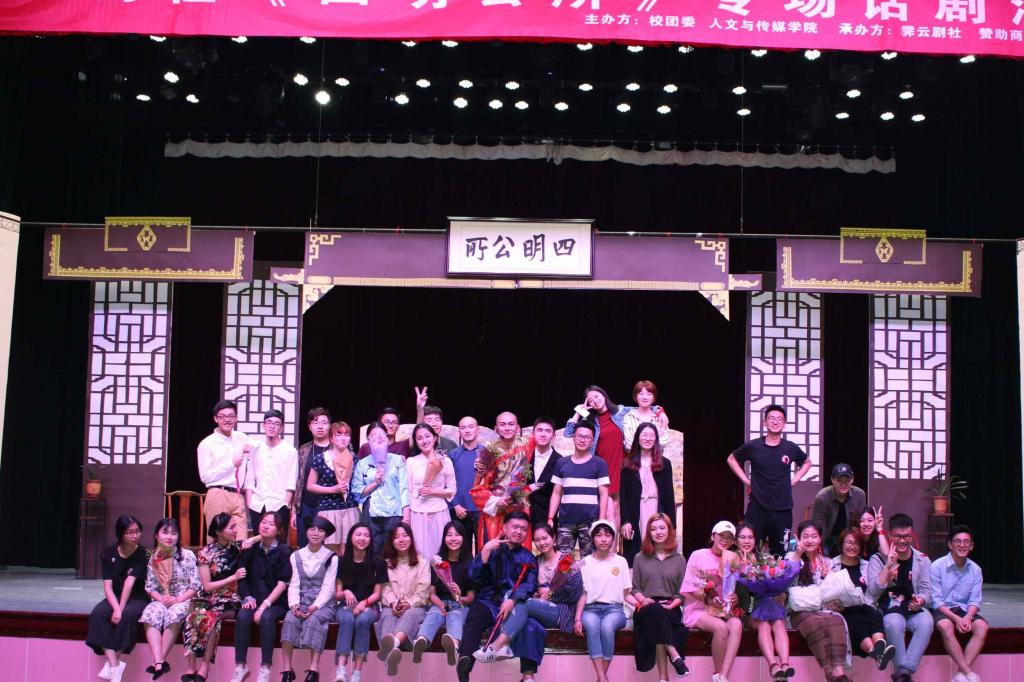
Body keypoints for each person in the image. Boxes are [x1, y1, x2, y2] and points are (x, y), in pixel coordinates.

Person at [477, 523, 581, 673]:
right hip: (538, 610)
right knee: (518, 607)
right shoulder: (535, 561)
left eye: (545, 538)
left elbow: (575, 591)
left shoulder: (567, 561)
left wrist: (551, 594)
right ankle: (527, 676)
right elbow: (529, 587)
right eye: (537, 540)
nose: (542, 543)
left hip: (562, 612)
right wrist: (538, 593)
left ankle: (498, 645)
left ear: (554, 538)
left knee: (524, 603)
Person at [456, 511, 541, 682]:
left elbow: (530, 585)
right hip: (487, 602)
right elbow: (473, 577)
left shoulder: (529, 558)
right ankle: (465, 663)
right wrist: (485, 551)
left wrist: (513, 599)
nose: (519, 531)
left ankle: (527, 676)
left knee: (530, 625)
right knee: (475, 616)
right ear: (505, 527)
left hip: (514, 605)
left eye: (523, 529)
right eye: (515, 527)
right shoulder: (491, 549)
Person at [727, 404, 811, 554]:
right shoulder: (754, 446)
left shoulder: (790, 448)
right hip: (757, 509)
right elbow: (731, 459)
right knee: (752, 552)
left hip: (783, 510)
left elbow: (807, 462)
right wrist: (746, 480)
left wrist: (793, 481)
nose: (775, 421)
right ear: (764, 422)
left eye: (779, 419)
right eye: (771, 418)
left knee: (781, 554)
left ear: (784, 424)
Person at [866, 513, 933, 682]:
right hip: (889, 608)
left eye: (907, 536)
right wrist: (887, 569)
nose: (902, 541)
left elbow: (927, 591)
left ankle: (902, 672)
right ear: (890, 536)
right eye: (897, 537)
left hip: (912, 607)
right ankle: (903, 674)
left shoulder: (922, 560)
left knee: (927, 621)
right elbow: (872, 592)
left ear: (912, 535)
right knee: (893, 623)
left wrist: (921, 601)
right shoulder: (878, 559)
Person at [85, 515, 148, 682]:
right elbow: (107, 586)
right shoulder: (108, 553)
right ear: (121, 533)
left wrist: (120, 610)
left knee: (127, 615)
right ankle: (114, 665)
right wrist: (116, 607)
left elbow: (129, 582)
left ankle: (111, 664)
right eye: (130, 532)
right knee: (98, 613)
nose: (135, 535)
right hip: (115, 595)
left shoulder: (143, 554)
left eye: (138, 531)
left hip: (137, 597)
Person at [232, 511, 292, 682]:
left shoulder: (284, 551)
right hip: (254, 599)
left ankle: (265, 668)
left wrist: (265, 604)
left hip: (276, 602)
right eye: (264, 522)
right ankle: (241, 666)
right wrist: (247, 596)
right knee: (243, 615)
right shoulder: (250, 549)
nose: (266, 526)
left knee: (266, 617)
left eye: (271, 524)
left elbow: (283, 583)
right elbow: (242, 577)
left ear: (279, 530)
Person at [786, 521, 850, 682]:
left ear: (820, 539)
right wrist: (797, 554)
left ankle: (840, 672)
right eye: (805, 536)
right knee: (814, 624)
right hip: (799, 610)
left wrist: (829, 576)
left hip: (823, 609)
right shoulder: (791, 557)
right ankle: (829, 672)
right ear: (799, 538)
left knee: (837, 621)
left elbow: (835, 593)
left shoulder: (828, 562)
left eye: (814, 536)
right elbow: (786, 582)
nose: (809, 540)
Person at [183, 513, 243, 682]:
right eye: (231, 527)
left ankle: (205, 666)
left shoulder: (238, 547)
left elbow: (259, 538)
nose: (236, 530)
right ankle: (191, 667)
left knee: (212, 617)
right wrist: (233, 577)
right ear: (219, 531)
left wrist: (252, 539)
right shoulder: (205, 553)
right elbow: (207, 586)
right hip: (209, 597)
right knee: (192, 616)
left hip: (231, 598)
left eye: (235, 526)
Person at [681, 520, 743, 682]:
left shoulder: (733, 558)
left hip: (722, 611)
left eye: (729, 537)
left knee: (736, 624)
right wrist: (708, 600)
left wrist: (735, 597)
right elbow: (690, 587)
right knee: (721, 628)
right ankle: (718, 673)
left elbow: (733, 587)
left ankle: (723, 676)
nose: (725, 540)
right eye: (721, 535)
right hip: (698, 610)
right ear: (712, 536)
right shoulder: (698, 555)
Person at [630, 513, 689, 680]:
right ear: (649, 532)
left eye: (662, 528)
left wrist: (672, 605)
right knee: (654, 611)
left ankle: (663, 677)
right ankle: (674, 654)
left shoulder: (679, 559)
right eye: (653, 529)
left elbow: (681, 593)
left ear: (669, 530)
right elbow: (635, 588)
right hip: (645, 606)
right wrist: (642, 599)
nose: (658, 532)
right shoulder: (639, 557)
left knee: (657, 620)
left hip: (670, 607)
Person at [575, 520, 636, 682]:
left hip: (614, 609)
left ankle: (601, 678)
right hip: (590, 609)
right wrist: (577, 618)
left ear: (613, 539)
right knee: (592, 626)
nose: (603, 539)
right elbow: (583, 593)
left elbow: (626, 594)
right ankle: (602, 678)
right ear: (592, 538)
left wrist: (640, 605)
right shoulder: (585, 562)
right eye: (599, 535)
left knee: (607, 627)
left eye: (607, 535)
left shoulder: (621, 561)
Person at [140, 518, 200, 681]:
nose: (169, 537)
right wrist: (161, 598)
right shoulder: (154, 557)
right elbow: (150, 587)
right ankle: (160, 662)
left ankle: (157, 662)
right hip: (162, 599)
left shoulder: (187, 555)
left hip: (184, 598)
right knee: (150, 613)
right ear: (157, 535)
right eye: (165, 532)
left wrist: (178, 599)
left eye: (174, 533)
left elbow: (195, 585)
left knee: (173, 614)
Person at [281, 517, 339, 682]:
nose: (316, 533)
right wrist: (294, 605)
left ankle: (314, 669)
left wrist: (315, 606)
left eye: (320, 530)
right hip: (301, 601)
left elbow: (328, 587)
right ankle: (287, 670)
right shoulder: (296, 555)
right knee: (290, 619)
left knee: (315, 620)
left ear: (325, 535)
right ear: (306, 532)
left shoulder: (332, 557)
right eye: (312, 529)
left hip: (324, 604)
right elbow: (294, 584)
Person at [830, 528, 896, 671]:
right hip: (842, 609)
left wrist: (887, 569)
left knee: (874, 613)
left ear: (861, 547)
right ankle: (875, 652)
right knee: (854, 617)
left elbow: (874, 592)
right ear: (841, 544)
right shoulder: (831, 565)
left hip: (865, 606)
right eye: (848, 542)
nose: (852, 546)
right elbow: (826, 593)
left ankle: (878, 647)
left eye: (856, 543)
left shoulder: (867, 565)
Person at [733, 522, 792, 681]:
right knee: (764, 624)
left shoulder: (765, 558)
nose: (747, 541)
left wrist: (783, 593)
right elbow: (728, 588)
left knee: (779, 622)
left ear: (755, 539)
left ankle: (785, 664)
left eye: (750, 537)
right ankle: (773, 666)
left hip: (766, 604)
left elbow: (778, 579)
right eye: (742, 537)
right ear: (736, 540)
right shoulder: (732, 559)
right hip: (747, 607)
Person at [412, 521, 475, 666]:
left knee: (456, 617)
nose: (453, 539)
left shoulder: (470, 563)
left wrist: (459, 596)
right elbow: (431, 593)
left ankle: (453, 645)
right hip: (439, 603)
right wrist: (440, 605)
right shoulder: (437, 562)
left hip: (460, 605)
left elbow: (471, 597)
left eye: (457, 535)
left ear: (464, 537)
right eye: (449, 535)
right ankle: (421, 641)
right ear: (444, 538)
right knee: (433, 615)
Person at [930, 525, 987, 682]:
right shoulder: (937, 566)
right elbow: (936, 601)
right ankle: (968, 672)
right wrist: (956, 619)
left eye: (966, 542)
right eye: (958, 541)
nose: (962, 545)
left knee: (982, 627)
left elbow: (974, 600)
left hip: (964, 610)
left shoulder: (976, 569)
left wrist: (968, 616)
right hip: (943, 609)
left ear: (971, 546)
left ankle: (961, 674)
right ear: (950, 544)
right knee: (945, 625)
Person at [469, 411, 535, 546]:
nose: (507, 428)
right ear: (496, 428)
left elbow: (547, 434)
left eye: (511, 424)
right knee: (495, 550)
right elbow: (478, 487)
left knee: (520, 551)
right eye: (503, 424)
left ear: (518, 428)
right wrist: (496, 501)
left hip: (519, 507)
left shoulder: (528, 444)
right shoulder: (489, 451)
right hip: (497, 509)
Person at [564, 386, 627, 524]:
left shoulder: (620, 411)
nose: (595, 401)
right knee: (608, 509)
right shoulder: (591, 420)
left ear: (604, 395)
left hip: (620, 466)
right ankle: (605, 537)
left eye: (597, 397)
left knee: (617, 510)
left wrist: (660, 411)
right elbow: (568, 433)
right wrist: (579, 411)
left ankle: (614, 538)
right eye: (591, 401)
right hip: (602, 468)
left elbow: (645, 409)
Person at [375, 522, 431, 677]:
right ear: (391, 541)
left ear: (411, 538)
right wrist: (393, 603)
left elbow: (423, 591)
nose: (401, 540)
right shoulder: (386, 563)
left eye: (404, 535)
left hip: (416, 606)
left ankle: (392, 646)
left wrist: (409, 603)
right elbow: (385, 588)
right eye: (396, 537)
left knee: (410, 615)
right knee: (387, 615)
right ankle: (391, 653)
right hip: (392, 605)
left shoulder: (422, 561)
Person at [547, 420, 609, 557]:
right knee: (563, 561)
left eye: (587, 437)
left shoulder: (599, 464)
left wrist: (601, 521)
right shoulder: (561, 463)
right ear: (573, 437)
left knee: (590, 561)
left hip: (590, 522)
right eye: (579, 436)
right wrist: (550, 517)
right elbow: (556, 493)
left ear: (592, 440)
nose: (582, 440)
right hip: (566, 521)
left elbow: (604, 494)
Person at [333, 523, 385, 682]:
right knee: (347, 619)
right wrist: (346, 592)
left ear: (370, 539)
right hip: (346, 606)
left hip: (370, 606)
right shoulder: (341, 561)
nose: (362, 538)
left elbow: (377, 594)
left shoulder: (378, 561)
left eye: (366, 535)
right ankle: (341, 670)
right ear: (351, 537)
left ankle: (357, 673)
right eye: (358, 534)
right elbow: (337, 594)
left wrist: (364, 603)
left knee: (362, 621)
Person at [619, 421, 675, 566]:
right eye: (644, 435)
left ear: (656, 439)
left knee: (658, 547)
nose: (648, 438)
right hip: (636, 511)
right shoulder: (627, 463)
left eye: (651, 435)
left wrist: (672, 524)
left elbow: (669, 495)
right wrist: (625, 521)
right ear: (637, 438)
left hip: (656, 509)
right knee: (635, 549)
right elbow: (623, 496)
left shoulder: (664, 463)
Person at [350, 421, 410, 554]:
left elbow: (405, 489)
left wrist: (406, 516)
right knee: (372, 551)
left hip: (394, 512)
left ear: (387, 437)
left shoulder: (398, 460)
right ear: (368, 440)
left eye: (381, 435)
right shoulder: (362, 464)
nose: (378, 438)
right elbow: (357, 493)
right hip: (371, 514)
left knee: (393, 551)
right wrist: (375, 482)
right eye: (373, 435)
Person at [197, 400, 253, 539]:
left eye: (231, 416)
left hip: (237, 494)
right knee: (217, 542)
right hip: (218, 494)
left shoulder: (242, 438)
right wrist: (231, 464)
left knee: (241, 542)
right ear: (215, 419)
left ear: (236, 418)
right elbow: (205, 477)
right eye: (222, 416)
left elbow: (259, 448)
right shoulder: (207, 444)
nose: (227, 419)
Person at [308, 421, 360, 555]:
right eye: (339, 434)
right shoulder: (320, 459)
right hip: (328, 510)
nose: (343, 438)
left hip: (350, 509)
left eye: (347, 435)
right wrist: (333, 489)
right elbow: (310, 486)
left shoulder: (354, 458)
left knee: (348, 552)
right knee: (329, 553)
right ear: (331, 438)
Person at [245, 409, 298, 536]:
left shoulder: (290, 451)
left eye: (276, 423)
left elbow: (291, 481)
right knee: (257, 541)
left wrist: (285, 504)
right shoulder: (256, 449)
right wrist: (249, 502)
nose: (272, 426)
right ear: (263, 425)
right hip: (257, 504)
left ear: (282, 428)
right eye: (269, 422)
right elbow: (249, 478)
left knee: (277, 542)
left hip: (279, 504)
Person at [407, 423, 457, 559]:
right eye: (419, 438)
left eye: (427, 436)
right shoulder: (411, 462)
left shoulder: (445, 461)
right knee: (419, 553)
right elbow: (408, 491)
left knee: (440, 553)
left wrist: (433, 491)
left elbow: (452, 490)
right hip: (417, 513)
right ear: (416, 442)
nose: (424, 441)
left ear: (435, 438)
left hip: (439, 512)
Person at [294, 408, 332, 548]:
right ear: (310, 426)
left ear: (330, 425)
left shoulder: (337, 448)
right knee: (305, 545)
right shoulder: (303, 450)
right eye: (315, 423)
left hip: (330, 506)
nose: (320, 426)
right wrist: (294, 511)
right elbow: (297, 481)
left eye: (324, 422)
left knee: (328, 546)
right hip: (306, 506)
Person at [811, 463, 867, 556]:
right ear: (832, 480)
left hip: (851, 538)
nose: (843, 484)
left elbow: (860, 523)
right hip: (828, 538)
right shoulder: (822, 497)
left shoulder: (859, 495)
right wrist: (819, 549)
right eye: (839, 480)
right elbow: (818, 526)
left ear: (852, 480)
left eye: (847, 480)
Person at [448, 416, 483, 553]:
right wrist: (455, 505)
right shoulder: (453, 455)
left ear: (478, 430)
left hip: (481, 510)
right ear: (459, 432)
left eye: (471, 427)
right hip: (459, 510)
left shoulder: (486, 452)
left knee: (482, 550)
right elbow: (446, 483)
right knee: (462, 552)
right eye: (463, 428)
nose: (467, 431)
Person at [526, 417, 563, 531]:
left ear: (554, 435)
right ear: (533, 433)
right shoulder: (524, 457)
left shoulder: (560, 462)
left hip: (547, 520)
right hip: (524, 518)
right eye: (539, 430)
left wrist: (550, 518)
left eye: (548, 431)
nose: (543, 434)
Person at [621, 380, 671, 450]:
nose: (645, 397)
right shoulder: (628, 418)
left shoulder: (660, 417)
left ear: (654, 397)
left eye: (649, 394)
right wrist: (653, 443)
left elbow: (664, 442)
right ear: (636, 396)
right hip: (635, 457)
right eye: (641, 394)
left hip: (656, 456)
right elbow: (629, 444)